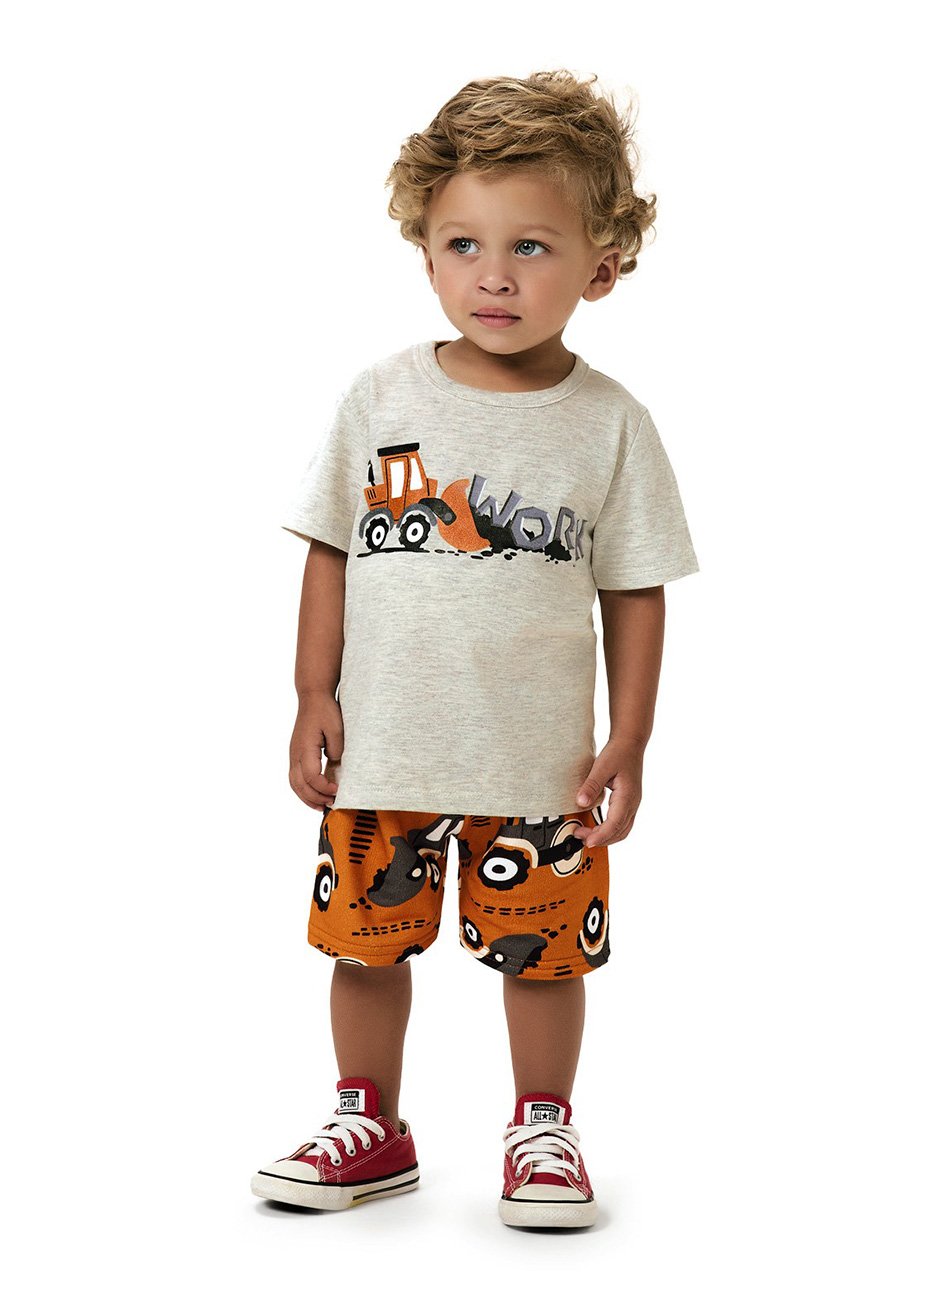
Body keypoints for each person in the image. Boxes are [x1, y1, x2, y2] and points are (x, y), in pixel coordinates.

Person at [251, 69, 698, 1230]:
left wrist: (630, 736)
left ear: (601, 265)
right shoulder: (377, 398)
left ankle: (542, 1126)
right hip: (382, 751)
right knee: (363, 949)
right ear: (425, 253)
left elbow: (634, 589)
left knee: (545, 958)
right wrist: (309, 691)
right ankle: (368, 1119)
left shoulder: (609, 423)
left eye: (530, 247)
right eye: (463, 243)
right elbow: (330, 549)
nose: (492, 276)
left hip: (539, 766)